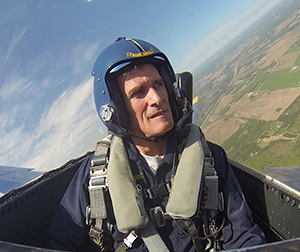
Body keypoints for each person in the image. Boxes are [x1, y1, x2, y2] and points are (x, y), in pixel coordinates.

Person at [46, 37, 266, 251]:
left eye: (159, 84)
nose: (156, 98)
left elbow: (244, 239)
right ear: (116, 110)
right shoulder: (94, 178)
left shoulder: (210, 160)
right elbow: (61, 245)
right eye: (138, 92)